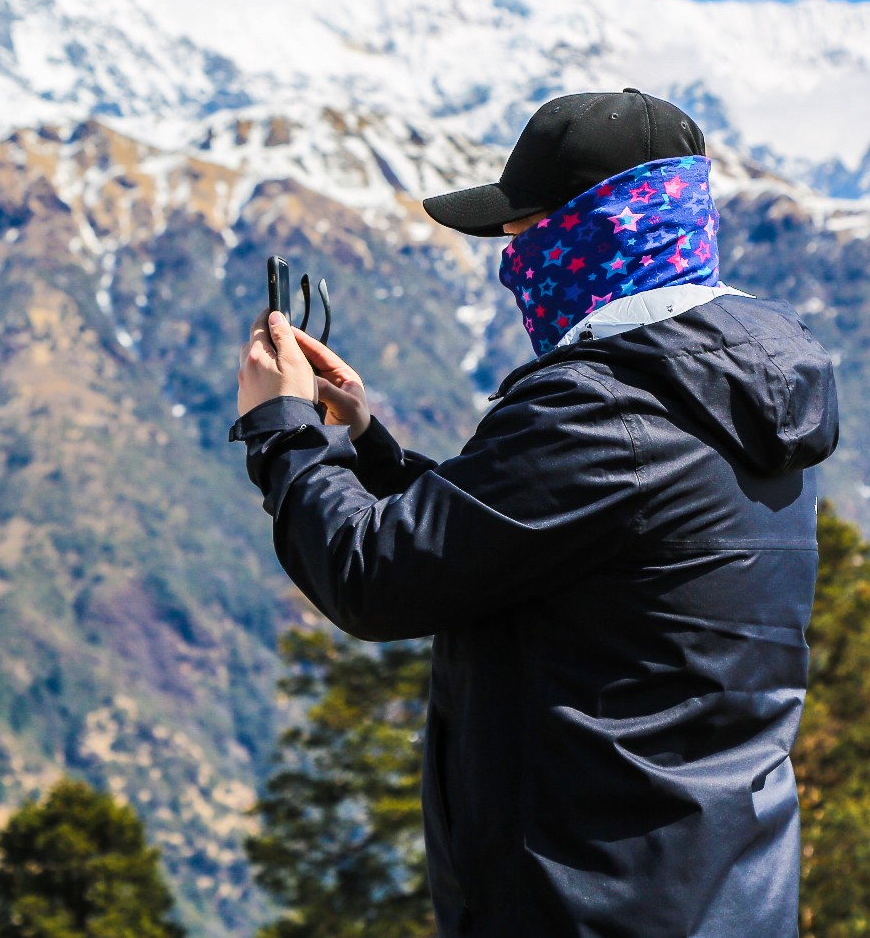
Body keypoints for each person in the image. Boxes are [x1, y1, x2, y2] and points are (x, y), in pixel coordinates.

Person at [231, 89, 839, 938]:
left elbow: (373, 576)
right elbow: (528, 534)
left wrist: (280, 429)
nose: (512, 260)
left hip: (586, 909)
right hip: (715, 898)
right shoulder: (731, 396)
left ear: (594, 231)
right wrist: (368, 442)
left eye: (523, 232)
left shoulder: (604, 409)